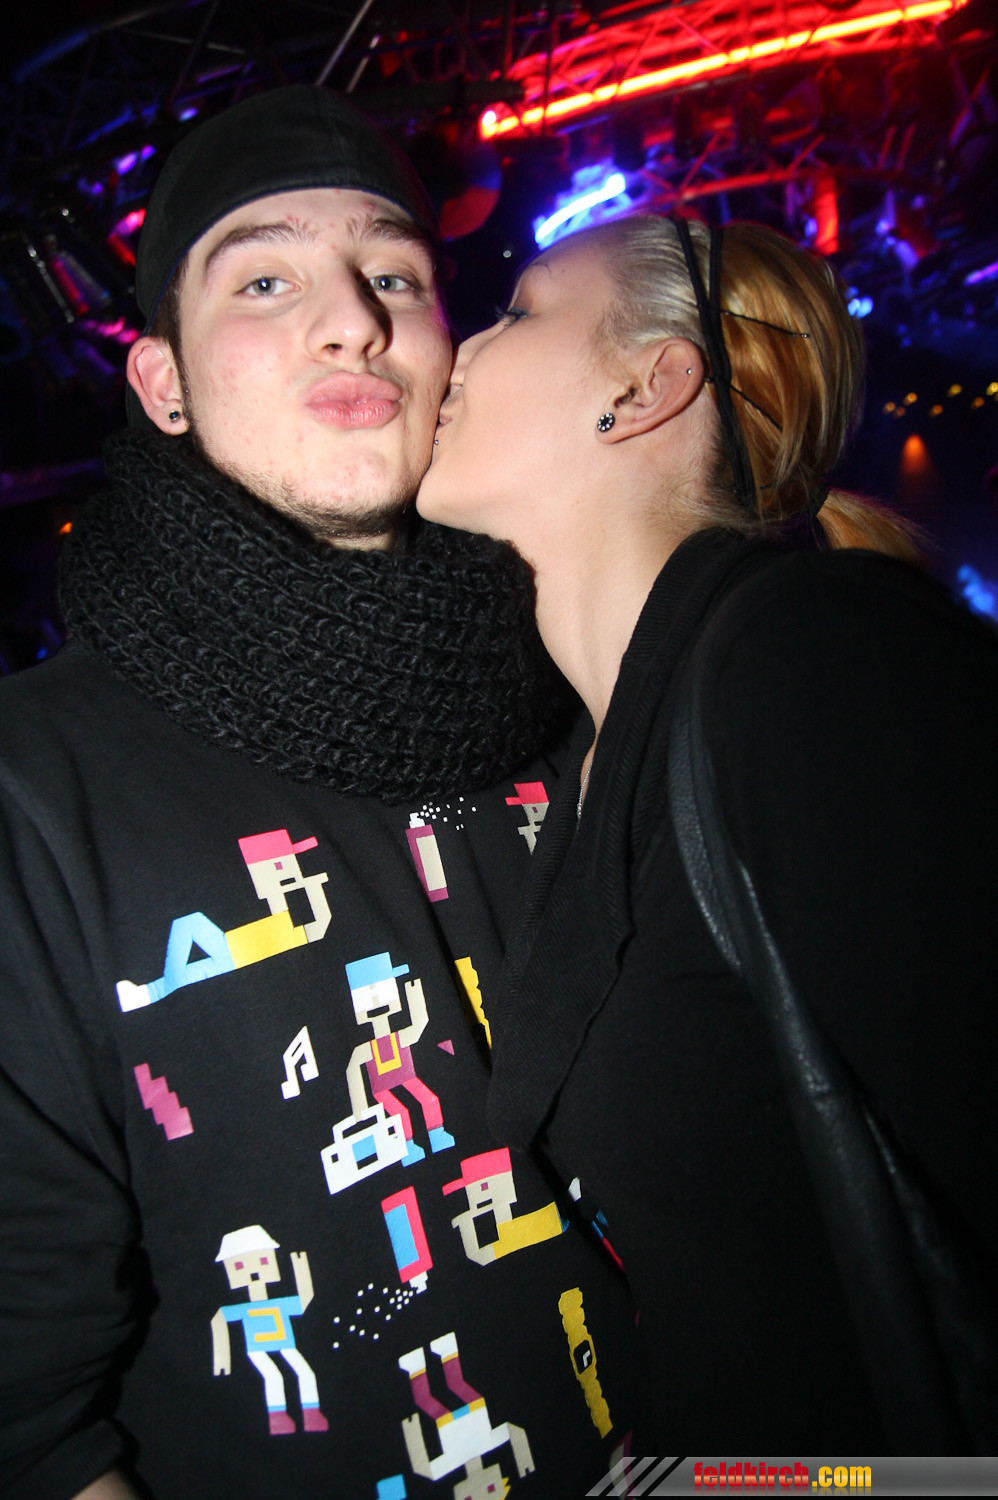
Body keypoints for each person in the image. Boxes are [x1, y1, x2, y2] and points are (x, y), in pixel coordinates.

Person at [0, 88, 647, 1500]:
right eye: (265, 280)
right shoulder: (32, 789)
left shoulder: (581, 701)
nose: (352, 319)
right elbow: (25, 1425)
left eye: (394, 276)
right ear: (163, 384)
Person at [417, 212, 998, 1452]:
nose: (453, 347)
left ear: (644, 389)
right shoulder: (587, 762)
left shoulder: (818, 665)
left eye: (516, 313)